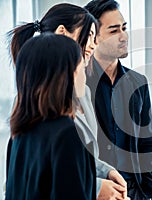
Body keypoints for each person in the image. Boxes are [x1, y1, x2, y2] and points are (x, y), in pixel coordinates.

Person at [6, 3, 127, 199]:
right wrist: (95, 188)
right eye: (89, 36)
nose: (94, 45)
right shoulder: (63, 131)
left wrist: (106, 173)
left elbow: (79, 159)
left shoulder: (22, 129)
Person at [84, 0, 152, 199]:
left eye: (124, 28)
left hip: (134, 191)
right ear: (94, 37)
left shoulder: (139, 82)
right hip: (95, 190)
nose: (124, 36)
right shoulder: (78, 82)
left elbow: (146, 144)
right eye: (114, 31)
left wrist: (147, 191)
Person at [6, 33, 95, 199]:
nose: (85, 76)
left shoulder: (17, 136)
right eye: (82, 68)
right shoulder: (66, 134)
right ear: (69, 75)